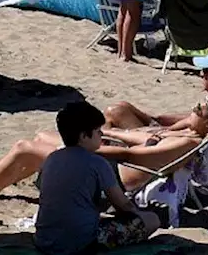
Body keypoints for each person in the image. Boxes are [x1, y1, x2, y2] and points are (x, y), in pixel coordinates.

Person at [0, 93, 208, 212]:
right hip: (109, 165)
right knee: (42, 138)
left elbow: (132, 157)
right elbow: (147, 136)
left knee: (25, 148)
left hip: (107, 176)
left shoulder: (186, 144)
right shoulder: (188, 134)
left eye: (197, 110)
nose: (191, 111)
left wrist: (103, 142)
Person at [32, 101, 160, 255]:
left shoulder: (52, 158)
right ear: (84, 136)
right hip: (80, 244)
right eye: (98, 131)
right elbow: (123, 205)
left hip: (44, 239)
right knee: (152, 219)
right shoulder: (97, 162)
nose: (102, 134)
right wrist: (140, 215)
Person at [104, 49, 208, 130]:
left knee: (115, 112)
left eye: (206, 71)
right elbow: (190, 118)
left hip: (166, 149)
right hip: (169, 138)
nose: (201, 74)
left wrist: (159, 129)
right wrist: (155, 119)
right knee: (123, 106)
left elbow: (188, 128)